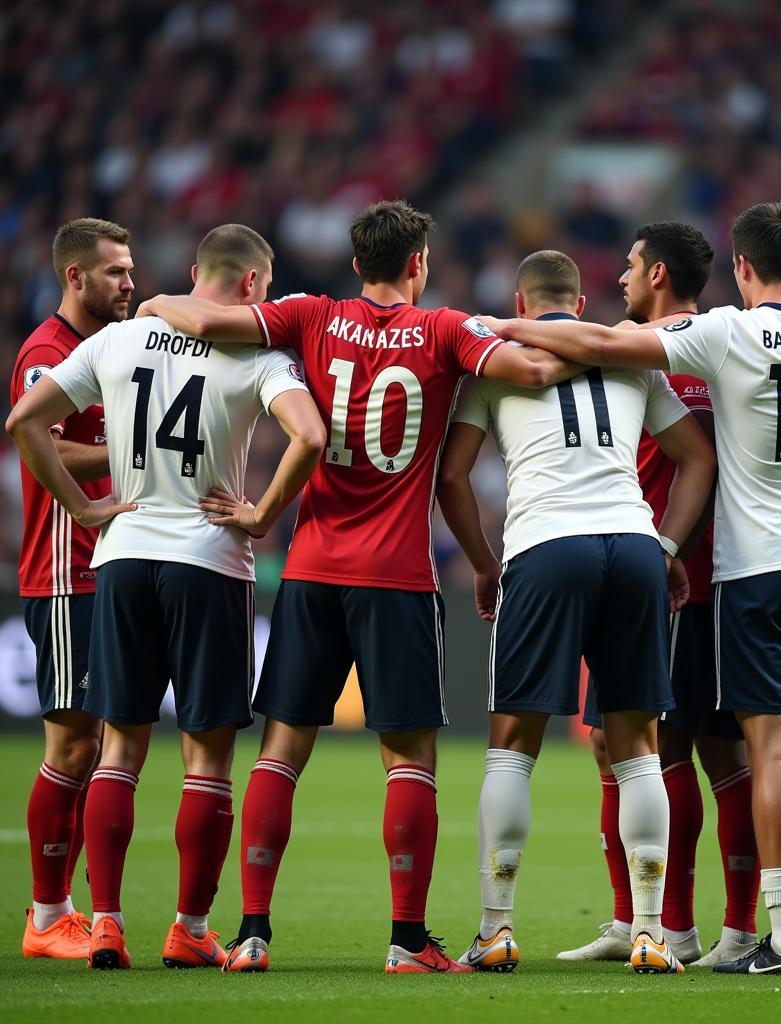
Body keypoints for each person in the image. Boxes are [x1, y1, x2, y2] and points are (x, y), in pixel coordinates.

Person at [475, 202, 781, 977]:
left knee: (771, 752)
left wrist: (498, 327)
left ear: (740, 268)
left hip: (759, 570)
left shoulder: (724, 333)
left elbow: (602, 341)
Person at [136, 200, 577, 974]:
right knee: (408, 760)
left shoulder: (310, 315)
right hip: (398, 576)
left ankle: (250, 934)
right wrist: (515, 328)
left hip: (311, 569)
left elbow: (204, 324)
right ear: (418, 264)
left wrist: (155, 301)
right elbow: (537, 370)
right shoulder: (446, 332)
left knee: (280, 751)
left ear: (355, 264)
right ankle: (407, 941)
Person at [7, 224, 325, 971]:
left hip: (121, 557)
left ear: (193, 271)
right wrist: (261, 514)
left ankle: (107, 924)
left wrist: (84, 509)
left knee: (117, 749)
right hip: (208, 560)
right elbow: (307, 436)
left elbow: (24, 423)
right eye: (268, 286)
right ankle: (187, 927)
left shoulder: (120, 340)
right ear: (251, 285)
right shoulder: (259, 352)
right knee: (206, 760)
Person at [437, 249, 717, 974]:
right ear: (582, 306)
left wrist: (483, 562)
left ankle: (496, 929)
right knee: (638, 746)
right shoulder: (629, 358)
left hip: (545, 546)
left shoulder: (494, 360)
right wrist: (668, 542)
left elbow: (453, 476)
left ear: (521, 305)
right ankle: (654, 934)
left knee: (511, 744)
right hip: (631, 547)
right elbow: (697, 457)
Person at [557, 223, 759, 969]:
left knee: (669, 747)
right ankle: (634, 918)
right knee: (640, 744)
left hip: (670, 578)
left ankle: (679, 929)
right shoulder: (726, 344)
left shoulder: (646, 351)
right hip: (699, 571)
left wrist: (668, 549)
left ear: (660, 273)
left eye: (633, 266)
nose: (621, 279)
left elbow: (690, 460)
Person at [12, 218, 134, 960]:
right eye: (115, 272)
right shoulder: (45, 354)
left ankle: (66, 911)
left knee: (95, 744)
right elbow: (41, 446)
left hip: (104, 569)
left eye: (130, 269)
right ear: (75, 277)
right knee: (72, 743)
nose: (129, 282)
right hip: (65, 573)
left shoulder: (104, 350)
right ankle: (46, 914)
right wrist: (133, 444)